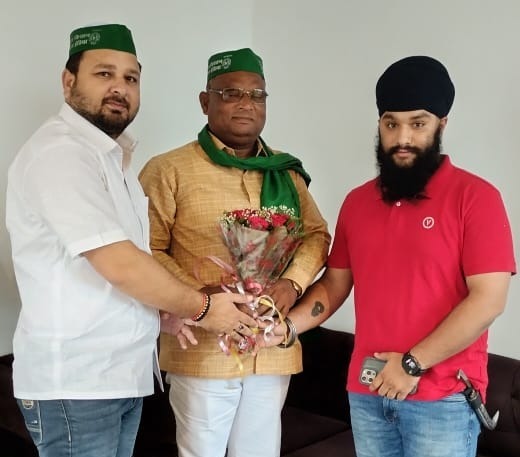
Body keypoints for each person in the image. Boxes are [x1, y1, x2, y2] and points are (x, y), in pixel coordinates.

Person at [5, 25, 256, 457]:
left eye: (131, 78)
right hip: (78, 385)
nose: (119, 88)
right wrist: (201, 307)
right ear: (68, 82)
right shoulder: (61, 153)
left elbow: (114, 272)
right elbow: (119, 263)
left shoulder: (111, 158)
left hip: (118, 377)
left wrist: (159, 314)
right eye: (104, 74)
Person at [266, 56, 516, 457]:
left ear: (442, 125)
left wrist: (412, 364)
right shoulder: (357, 203)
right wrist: (288, 328)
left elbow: (488, 300)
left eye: (418, 124)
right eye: (391, 124)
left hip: (442, 401)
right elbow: (334, 284)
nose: (403, 137)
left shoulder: (476, 198)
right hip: (367, 393)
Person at [138, 47, 330, 457]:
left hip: (271, 345)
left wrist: (292, 284)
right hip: (202, 348)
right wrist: (200, 295)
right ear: (205, 101)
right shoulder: (168, 170)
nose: (246, 103)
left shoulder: (285, 173)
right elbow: (145, 249)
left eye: (257, 95)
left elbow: (316, 235)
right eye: (231, 93)